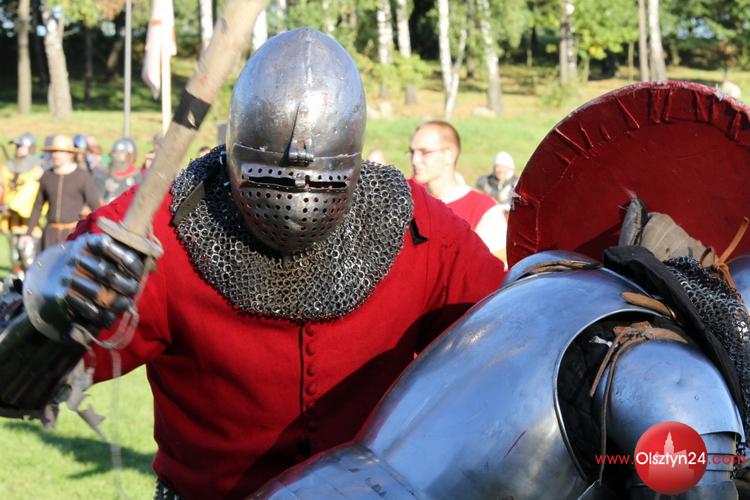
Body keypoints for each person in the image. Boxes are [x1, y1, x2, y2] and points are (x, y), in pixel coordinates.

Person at [0, 28, 505, 498]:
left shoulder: (420, 230)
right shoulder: (154, 226)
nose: (299, 198)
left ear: (352, 167)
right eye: (272, 179)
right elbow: (14, 386)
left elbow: (509, 343)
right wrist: (47, 314)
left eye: (324, 182)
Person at [409, 120, 507, 256]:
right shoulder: (406, 200)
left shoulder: (483, 210)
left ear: (449, 155)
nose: (414, 160)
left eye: (425, 152)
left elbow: (495, 267)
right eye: (412, 152)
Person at [22, 135, 101, 249]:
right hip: (50, 235)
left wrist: (99, 231)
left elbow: (95, 206)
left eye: (60, 152)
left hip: (73, 235)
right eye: (53, 152)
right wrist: (28, 233)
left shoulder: (83, 177)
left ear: (70, 154)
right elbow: (37, 206)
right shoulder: (47, 176)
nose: (55, 155)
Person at [2, 132, 43, 233]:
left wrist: (12, 206)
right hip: (10, 224)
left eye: (20, 146)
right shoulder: (8, 169)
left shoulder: (38, 170)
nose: (18, 149)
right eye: (17, 146)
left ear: (30, 148)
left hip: (30, 226)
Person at [94, 137, 142, 202]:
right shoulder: (103, 173)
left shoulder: (136, 176)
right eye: (116, 153)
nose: (117, 157)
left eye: (121, 154)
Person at [475, 151, 518, 216]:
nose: (501, 170)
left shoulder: (517, 184)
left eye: (504, 167)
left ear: (510, 168)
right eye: (498, 166)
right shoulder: (484, 182)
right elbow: (478, 202)